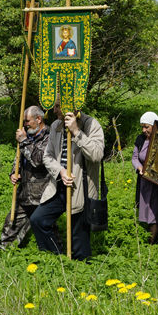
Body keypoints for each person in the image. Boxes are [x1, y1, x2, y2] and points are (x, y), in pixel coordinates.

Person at [29, 106, 104, 260]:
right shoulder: (56, 125)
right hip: (58, 186)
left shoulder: (90, 124)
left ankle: (81, 271)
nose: (54, 110)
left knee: (79, 242)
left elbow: (96, 155)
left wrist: (76, 131)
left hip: (80, 189)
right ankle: (56, 260)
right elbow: (48, 156)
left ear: (68, 105)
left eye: (58, 106)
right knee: (38, 220)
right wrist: (60, 171)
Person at [0, 106, 50, 248]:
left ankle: (52, 253)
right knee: (11, 224)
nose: (25, 124)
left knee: (46, 228)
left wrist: (24, 141)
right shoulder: (27, 136)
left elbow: (38, 160)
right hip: (25, 191)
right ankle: (4, 252)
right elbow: (19, 157)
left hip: (43, 193)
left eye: (27, 121)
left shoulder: (50, 137)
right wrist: (14, 172)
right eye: (24, 121)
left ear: (38, 119)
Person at [132, 111, 158, 243]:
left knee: (155, 211)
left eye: (147, 127)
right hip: (145, 181)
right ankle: (152, 238)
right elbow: (135, 157)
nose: (144, 130)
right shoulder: (140, 139)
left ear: (154, 126)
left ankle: (152, 242)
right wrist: (140, 168)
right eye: (142, 127)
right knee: (146, 209)